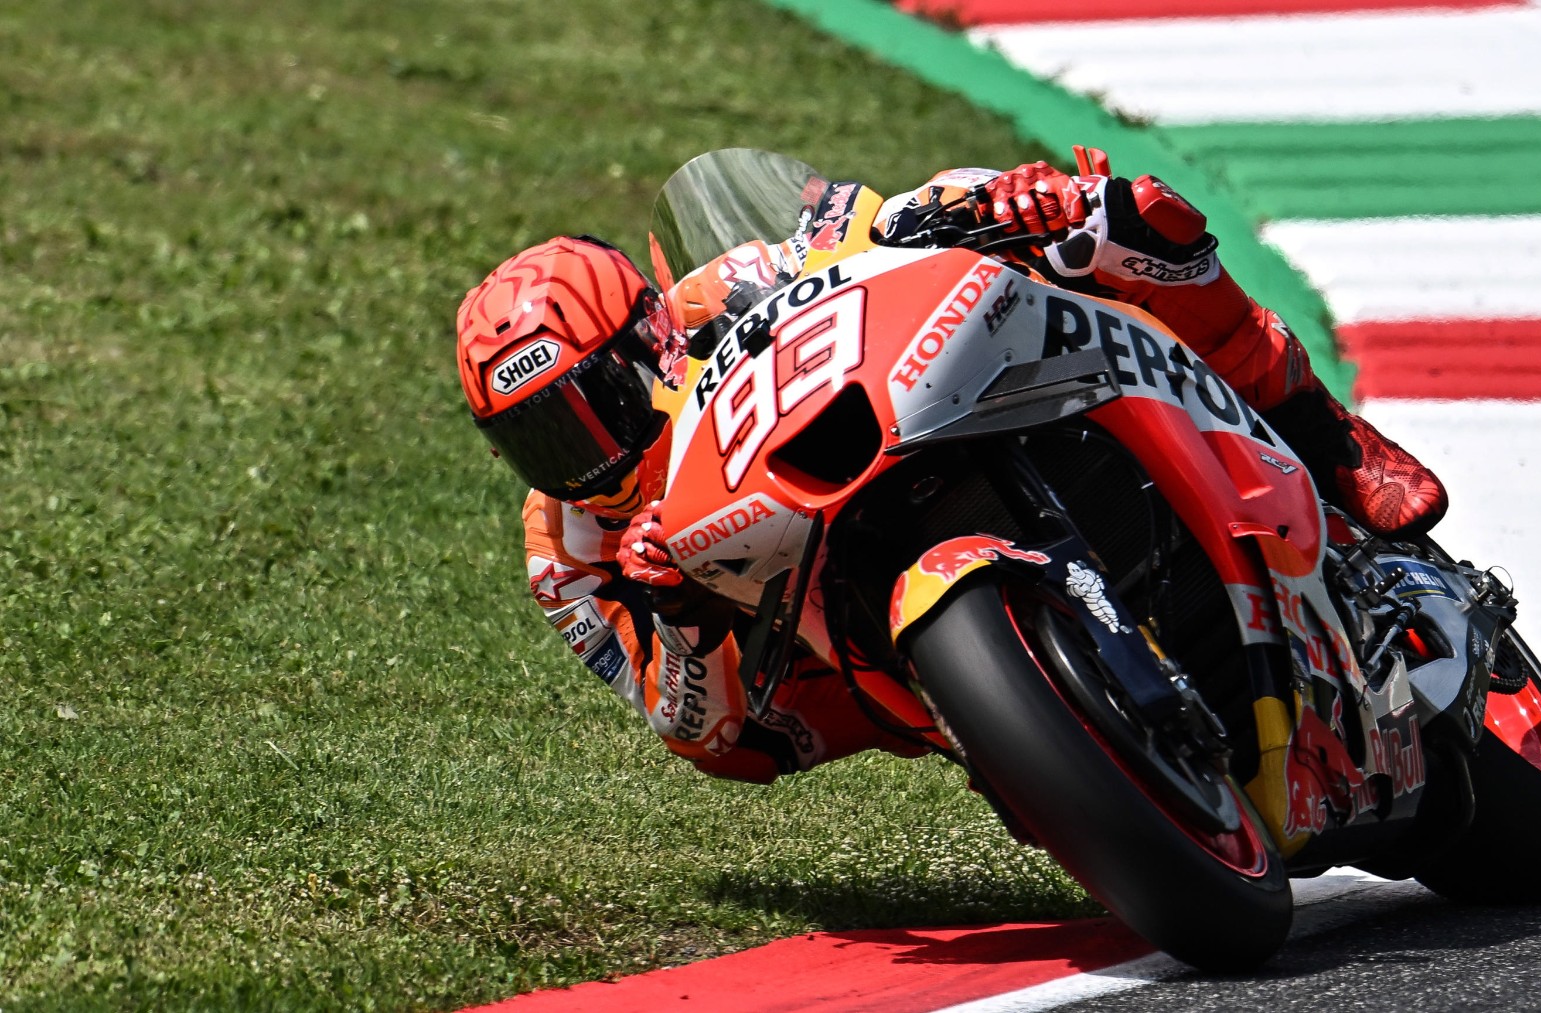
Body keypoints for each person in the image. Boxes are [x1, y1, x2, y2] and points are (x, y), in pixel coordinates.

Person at [454, 158, 1447, 784]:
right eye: (542, 440)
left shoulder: (729, 284)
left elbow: (871, 231)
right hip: (820, 638)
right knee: (765, 733)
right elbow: (705, 737)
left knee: (1119, 218)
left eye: (593, 410)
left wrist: (983, 203)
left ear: (650, 338)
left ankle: (1324, 436)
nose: (586, 459)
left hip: (895, 429)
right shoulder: (565, 548)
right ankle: (1038, 723)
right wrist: (680, 610)